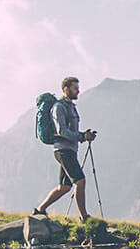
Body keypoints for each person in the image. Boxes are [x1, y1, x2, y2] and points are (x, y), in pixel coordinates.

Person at [34, 75, 97, 220]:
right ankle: (84, 217)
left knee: (65, 187)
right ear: (66, 89)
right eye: (75, 88)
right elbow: (61, 131)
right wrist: (82, 137)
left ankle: (39, 210)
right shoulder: (59, 107)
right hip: (63, 150)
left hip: (70, 150)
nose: (78, 91)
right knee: (80, 181)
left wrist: (84, 135)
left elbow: (71, 131)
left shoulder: (71, 107)